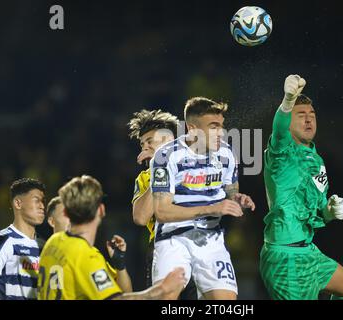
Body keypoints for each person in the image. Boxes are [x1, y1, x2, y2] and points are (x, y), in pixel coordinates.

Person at [259, 74, 343, 300]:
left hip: (308, 251)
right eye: (300, 115)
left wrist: (330, 211)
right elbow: (280, 129)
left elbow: (317, 211)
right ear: (289, 121)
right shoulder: (280, 153)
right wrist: (287, 101)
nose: (308, 120)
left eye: (312, 115)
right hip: (286, 256)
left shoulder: (316, 159)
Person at [150, 97, 255, 300]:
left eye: (222, 126)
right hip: (174, 239)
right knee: (165, 298)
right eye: (213, 127)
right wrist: (212, 209)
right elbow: (162, 211)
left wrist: (237, 197)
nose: (221, 133)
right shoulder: (166, 156)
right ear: (192, 128)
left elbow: (231, 189)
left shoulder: (226, 153)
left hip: (211, 240)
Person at [38, 175, 185, 300]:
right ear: (101, 210)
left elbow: (122, 291)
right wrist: (161, 289)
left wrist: (119, 264)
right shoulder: (86, 257)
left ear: (66, 213)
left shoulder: (54, 242)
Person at [128, 109, 197, 299]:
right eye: (142, 144)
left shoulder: (193, 165)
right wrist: (159, 167)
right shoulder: (145, 178)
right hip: (165, 247)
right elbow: (141, 218)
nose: (145, 148)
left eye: (150, 141)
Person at [45, 195, 133, 293]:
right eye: (65, 214)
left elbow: (125, 292)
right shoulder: (40, 254)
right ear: (52, 221)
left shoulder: (89, 253)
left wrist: (119, 264)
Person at [0, 178, 46, 300]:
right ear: (18, 203)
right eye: (36, 201)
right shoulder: (3, 240)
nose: (42, 206)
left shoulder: (45, 246)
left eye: (43, 201)